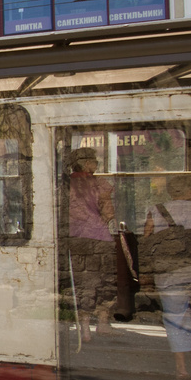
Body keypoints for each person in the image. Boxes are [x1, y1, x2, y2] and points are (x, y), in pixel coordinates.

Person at [142, 174, 191, 379]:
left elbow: (147, 241)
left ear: (171, 191)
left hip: (169, 268)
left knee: (175, 314)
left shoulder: (156, 210)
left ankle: (181, 367)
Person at [66, 147, 117, 342]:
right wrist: (98, 223)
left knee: (82, 283)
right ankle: (103, 323)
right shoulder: (99, 184)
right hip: (98, 238)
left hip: (75, 239)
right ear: (86, 163)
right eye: (94, 161)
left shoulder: (65, 185)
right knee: (103, 282)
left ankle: (84, 328)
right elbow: (109, 212)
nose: (97, 164)